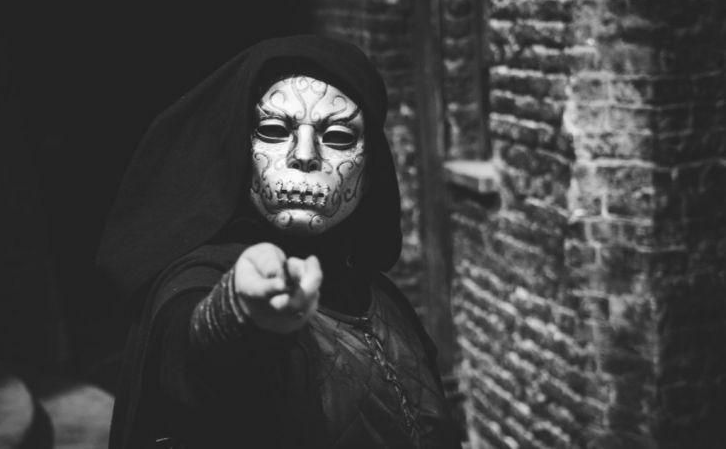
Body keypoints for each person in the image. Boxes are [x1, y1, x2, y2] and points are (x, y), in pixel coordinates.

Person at [97, 35, 463, 448]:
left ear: (371, 165)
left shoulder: (381, 295)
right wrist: (236, 312)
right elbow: (188, 357)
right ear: (241, 148)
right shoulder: (201, 275)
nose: (304, 155)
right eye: (274, 130)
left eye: (339, 136)